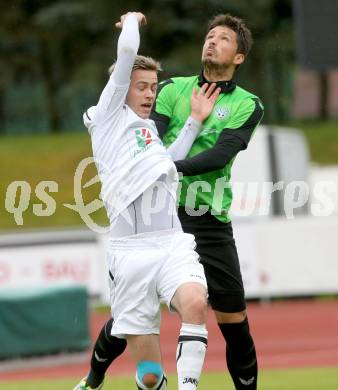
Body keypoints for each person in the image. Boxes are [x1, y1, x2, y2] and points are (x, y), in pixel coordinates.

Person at [76, 12, 264, 390]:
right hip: (158, 214)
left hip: (205, 217)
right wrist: (156, 170)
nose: (212, 41)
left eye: (223, 38)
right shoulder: (170, 90)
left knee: (230, 319)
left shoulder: (248, 103)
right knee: (126, 330)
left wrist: (187, 134)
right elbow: (151, 145)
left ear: (239, 57)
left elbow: (217, 155)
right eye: (209, 35)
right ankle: (94, 377)